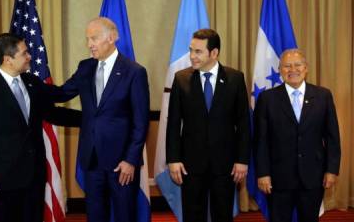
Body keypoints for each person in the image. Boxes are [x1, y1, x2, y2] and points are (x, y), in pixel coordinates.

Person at [0, 33, 81, 222]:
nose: (29, 56)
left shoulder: (32, 82)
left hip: (34, 177)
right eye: (24, 53)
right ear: (8, 60)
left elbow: (55, 112)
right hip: (2, 181)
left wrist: (94, 119)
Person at [47, 17, 149, 222]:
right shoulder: (85, 68)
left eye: (94, 38)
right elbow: (61, 93)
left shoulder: (134, 72)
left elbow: (140, 122)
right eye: (87, 39)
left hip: (121, 163)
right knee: (95, 215)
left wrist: (130, 160)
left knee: (124, 215)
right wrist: (29, 84)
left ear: (111, 38)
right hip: (91, 159)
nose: (89, 44)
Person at [166, 28, 251, 222]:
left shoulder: (235, 79)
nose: (192, 56)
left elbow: (244, 124)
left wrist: (242, 160)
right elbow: (173, 124)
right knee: (193, 215)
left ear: (214, 53)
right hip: (191, 165)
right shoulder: (181, 79)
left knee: (223, 214)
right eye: (191, 50)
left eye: (198, 52)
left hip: (225, 165)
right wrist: (173, 159)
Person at [254, 49, 341, 222]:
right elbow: (260, 140)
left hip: (313, 177)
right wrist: (263, 173)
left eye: (297, 65)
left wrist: (331, 170)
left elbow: (332, 137)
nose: (292, 69)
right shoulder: (267, 98)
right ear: (280, 70)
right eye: (287, 66)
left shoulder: (323, 96)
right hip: (278, 178)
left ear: (306, 68)